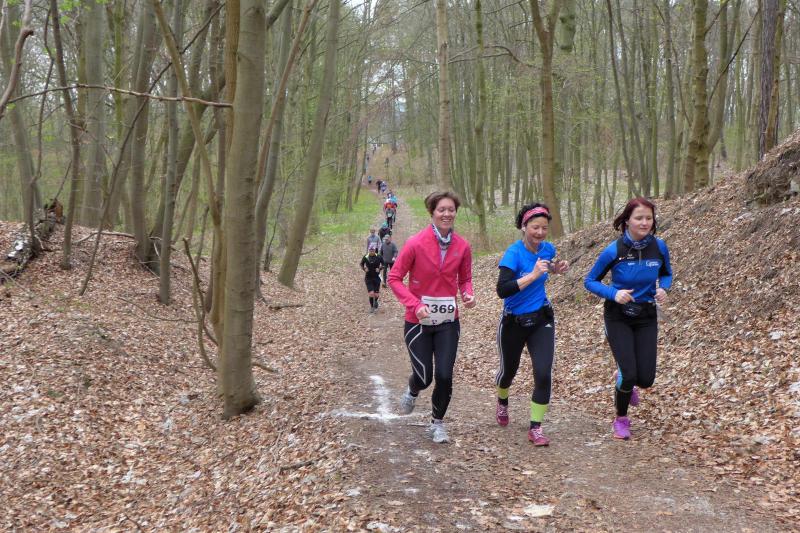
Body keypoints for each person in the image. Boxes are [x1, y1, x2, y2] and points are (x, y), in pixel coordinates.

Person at [388, 191, 476, 443]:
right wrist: (415, 304)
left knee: (445, 376)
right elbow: (394, 278)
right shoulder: (415, 243)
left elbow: (465, 279)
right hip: (418, 322)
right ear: (432, 212)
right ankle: (413, 388)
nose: (447, 214)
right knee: (424, 376)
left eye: (451, 210)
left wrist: (468, 294)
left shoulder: (462, 246)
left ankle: (437, 423)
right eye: (442, 210)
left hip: (448, 321)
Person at [584, 197, 672, 440]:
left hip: (646, 315)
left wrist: (664, 288)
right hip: (618, 316)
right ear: (627, 221)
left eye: (649, 218)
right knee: (630, 374)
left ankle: (624, 376)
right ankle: (621, 419)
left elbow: (666, 273)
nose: (644, 223)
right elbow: (589, 281)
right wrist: (614, 294)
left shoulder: (659, 247)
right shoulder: (614, 251)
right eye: (639, 218)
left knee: (646, 379)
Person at [494, 203, 569, 446]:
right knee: (508, 372)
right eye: (535, 227)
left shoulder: (548, 249)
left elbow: (547, 266)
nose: (540, 232)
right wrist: (533, 275)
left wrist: (556, 269)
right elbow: (502, 290)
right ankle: (502, 400)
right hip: (513, 322)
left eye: (544, 228)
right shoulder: (513, 254)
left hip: (541, 318)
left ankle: (535, 427)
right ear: (524, 227)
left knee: (543, 373)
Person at [361, 244, 384, 313]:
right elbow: (361, 264)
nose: (371, 251)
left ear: (375, 250)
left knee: (376, 295)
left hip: (376, 278)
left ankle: (376, 301)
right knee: (371, 293)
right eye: (370, 250)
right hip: (368, 278)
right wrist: (364, 268)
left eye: (373, 250)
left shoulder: (379, 256)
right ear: (369, 250)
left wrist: (379, 268)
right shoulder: (366, 257)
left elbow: (383, 264)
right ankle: (372, 307)